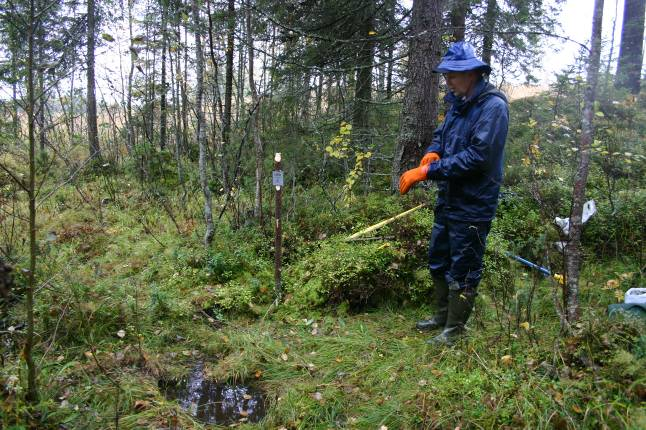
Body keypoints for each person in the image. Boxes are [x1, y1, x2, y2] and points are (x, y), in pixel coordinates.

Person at [399, 41, 509, 345]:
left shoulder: (492, 107)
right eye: (445, 75)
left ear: (472, 73)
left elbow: (478, 157)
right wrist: (432, 153)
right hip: (449, 198)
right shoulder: (457, 103)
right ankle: (441, 316)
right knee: (439, 258)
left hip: (474, 203)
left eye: (453, 75)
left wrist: (428, 172)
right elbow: (441, 135)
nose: (447, 80)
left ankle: (454, 330)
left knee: (465, 266)